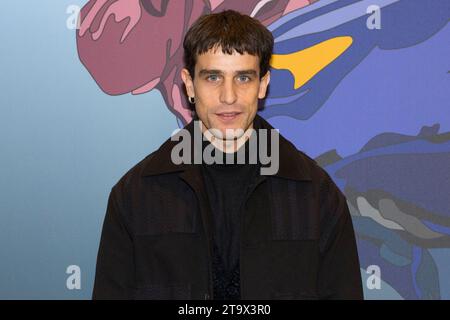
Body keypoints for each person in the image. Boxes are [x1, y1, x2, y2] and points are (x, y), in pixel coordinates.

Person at [92, 9, 363, 300]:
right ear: (188, 84)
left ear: (263, 84)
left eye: (243, 78)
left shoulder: (318, 196)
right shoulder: (134, 196)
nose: (228, 96)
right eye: (213, 77)